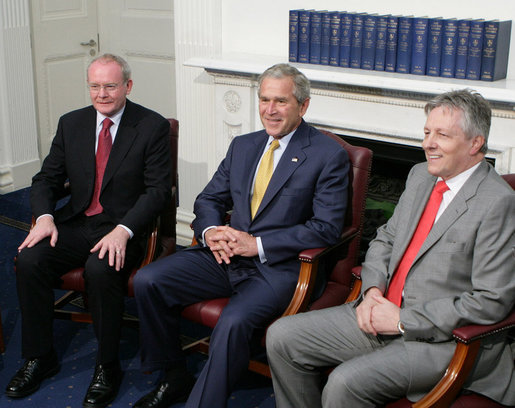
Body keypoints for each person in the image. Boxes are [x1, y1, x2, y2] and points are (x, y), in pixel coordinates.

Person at [266, 89, 515, 408]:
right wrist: (372, 293)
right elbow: (385, 239)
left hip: (440, 341)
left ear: (475, 142)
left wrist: (401, 319)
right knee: (282, 337)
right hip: (377, 311)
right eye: (427, 132)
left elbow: (492, 300)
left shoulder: (497, 202)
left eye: (442, 135)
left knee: (344, 384)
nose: (428, 143)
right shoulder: (420, 176)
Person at [132, 63, 350, 408]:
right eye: (264, 99)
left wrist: (257, 245)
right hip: (225, 255)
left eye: (281, 101)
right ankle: (173, 376)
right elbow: (209, 198)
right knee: (148, 280)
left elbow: (326, 227)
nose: (270, 109)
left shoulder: (328, 155)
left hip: (279, 268)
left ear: (303, 106)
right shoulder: (244, 145)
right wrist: (211, 230)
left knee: (233, 322)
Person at [6, 54, 172, 408]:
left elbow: (158, 191)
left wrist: (124, 229)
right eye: (95, 86)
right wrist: (46, 217)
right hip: (77, 220)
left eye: (110, 86)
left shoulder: (152, 126)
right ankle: (39, 357)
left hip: (122, 228)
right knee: (30, 259)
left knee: (100, 271)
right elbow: (46, 179)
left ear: (128, 85)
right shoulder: (72, 124)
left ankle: (106, 366)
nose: (102, 94)